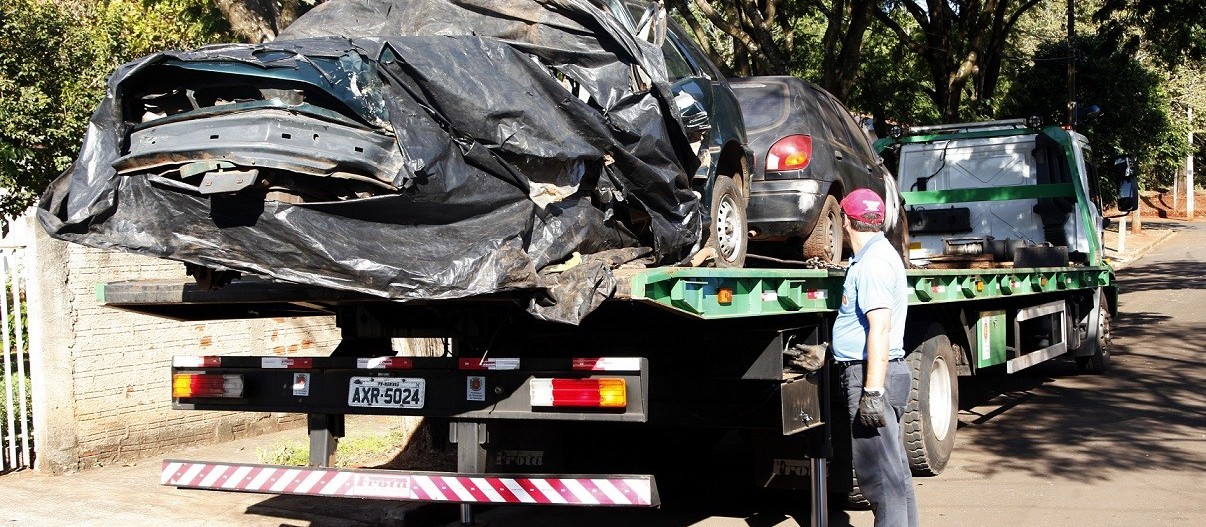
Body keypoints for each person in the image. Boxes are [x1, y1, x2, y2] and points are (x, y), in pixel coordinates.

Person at [832, 188, 918, 527]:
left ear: (846, 221)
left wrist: (871, 393)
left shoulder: (872, 263)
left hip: (872, 376)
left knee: (880, 480)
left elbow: (879, 328)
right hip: (883, 370)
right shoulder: (881, 254)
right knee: (895, 474)